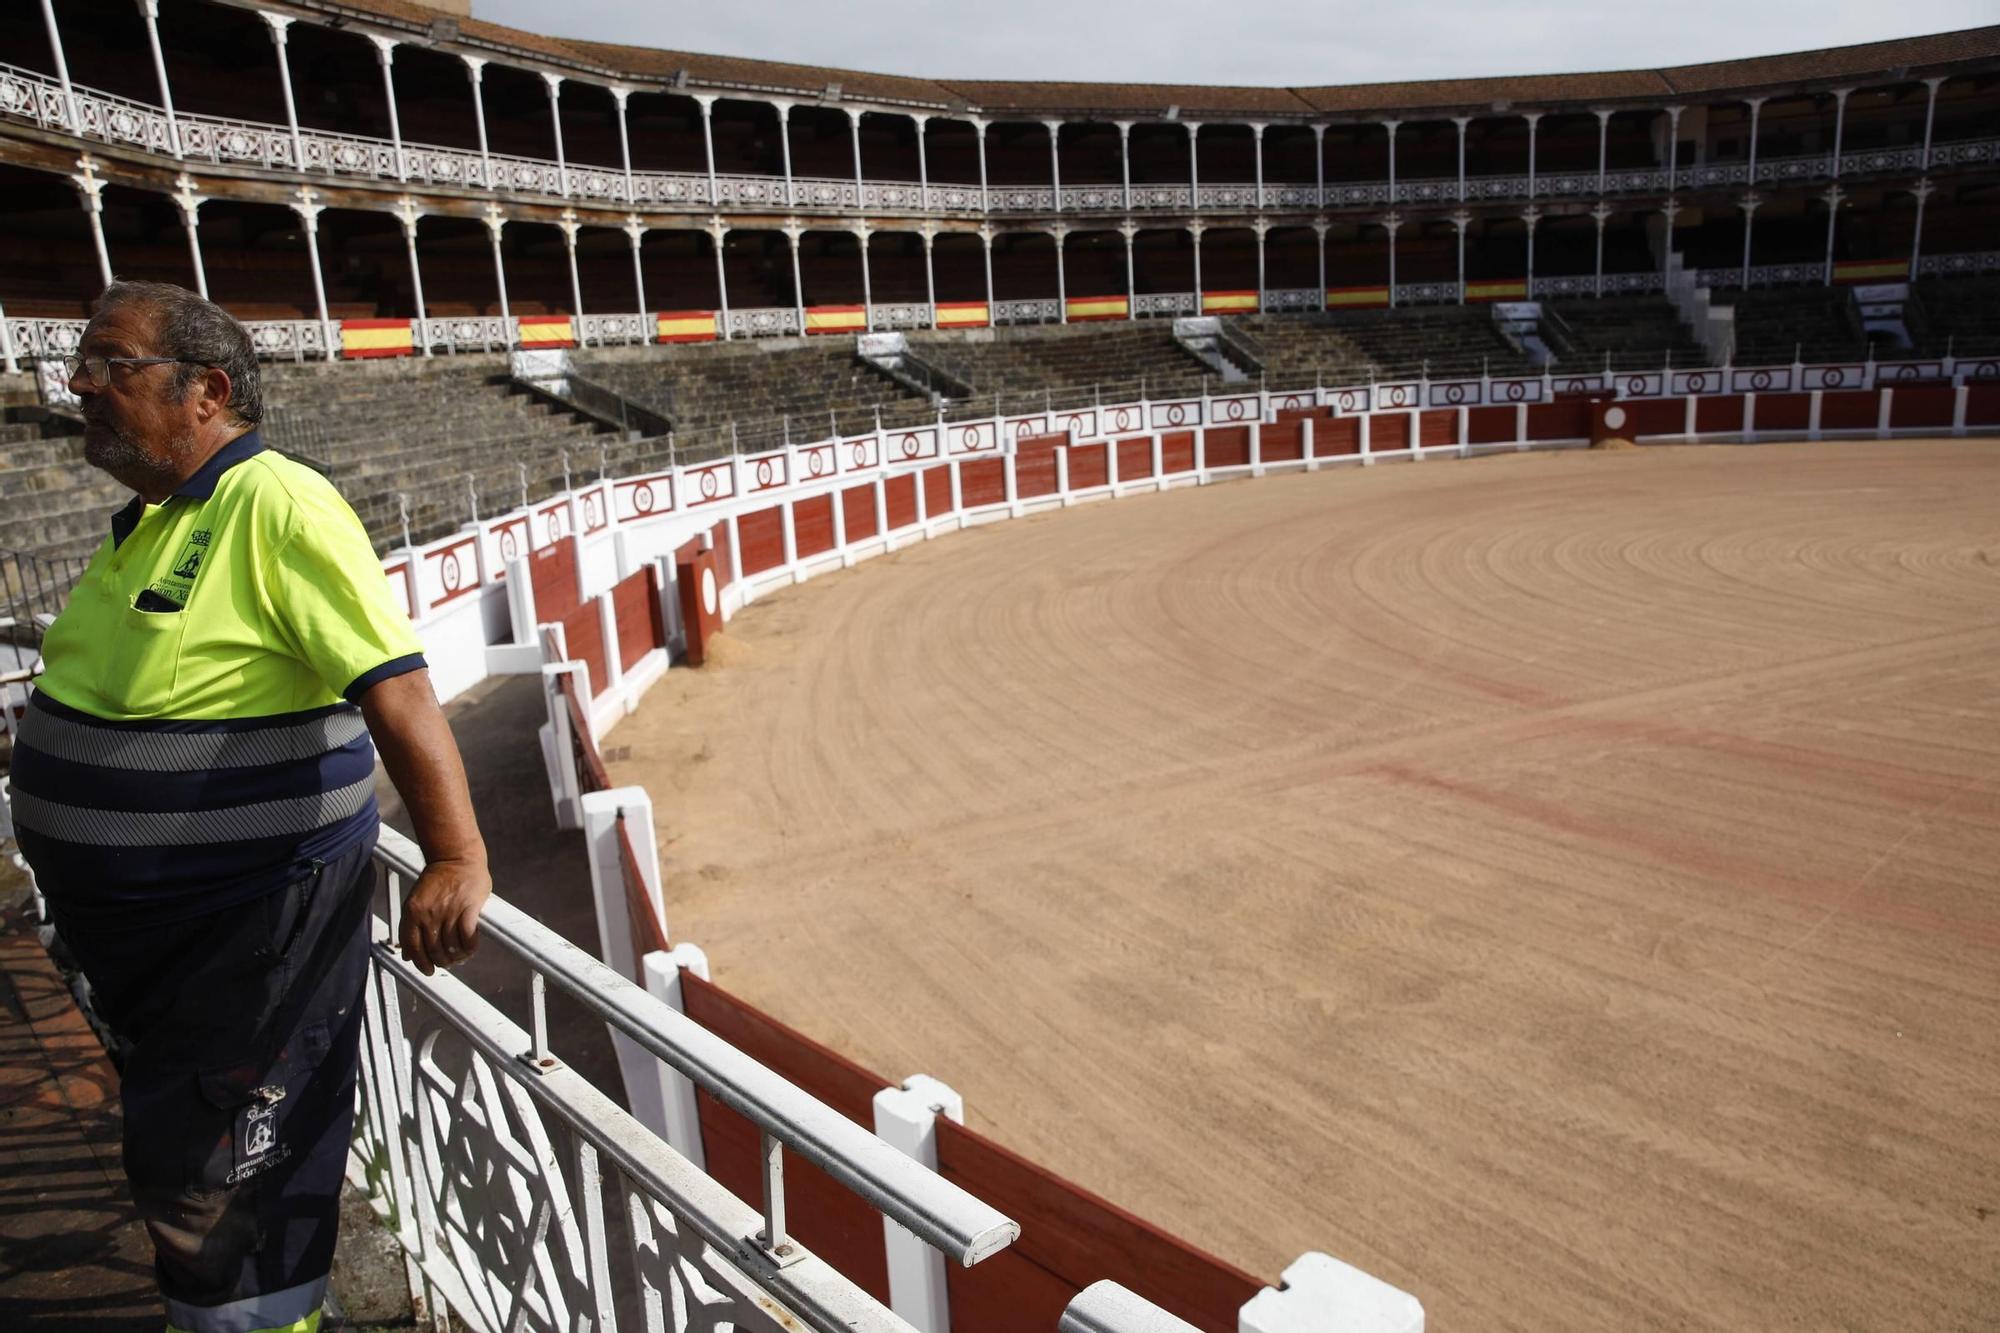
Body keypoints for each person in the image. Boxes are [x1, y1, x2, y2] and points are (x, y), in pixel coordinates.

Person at [8, 281, 491, 1333]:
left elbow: (396, 686)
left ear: (205, 391)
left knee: (234, 1181)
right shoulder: (152, 515)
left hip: (249, 927)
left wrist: (453, 855)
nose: (80, 384)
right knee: (189, 1155)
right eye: (79, 362)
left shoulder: (274, 500)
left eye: (111, 364)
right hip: (158, 941)